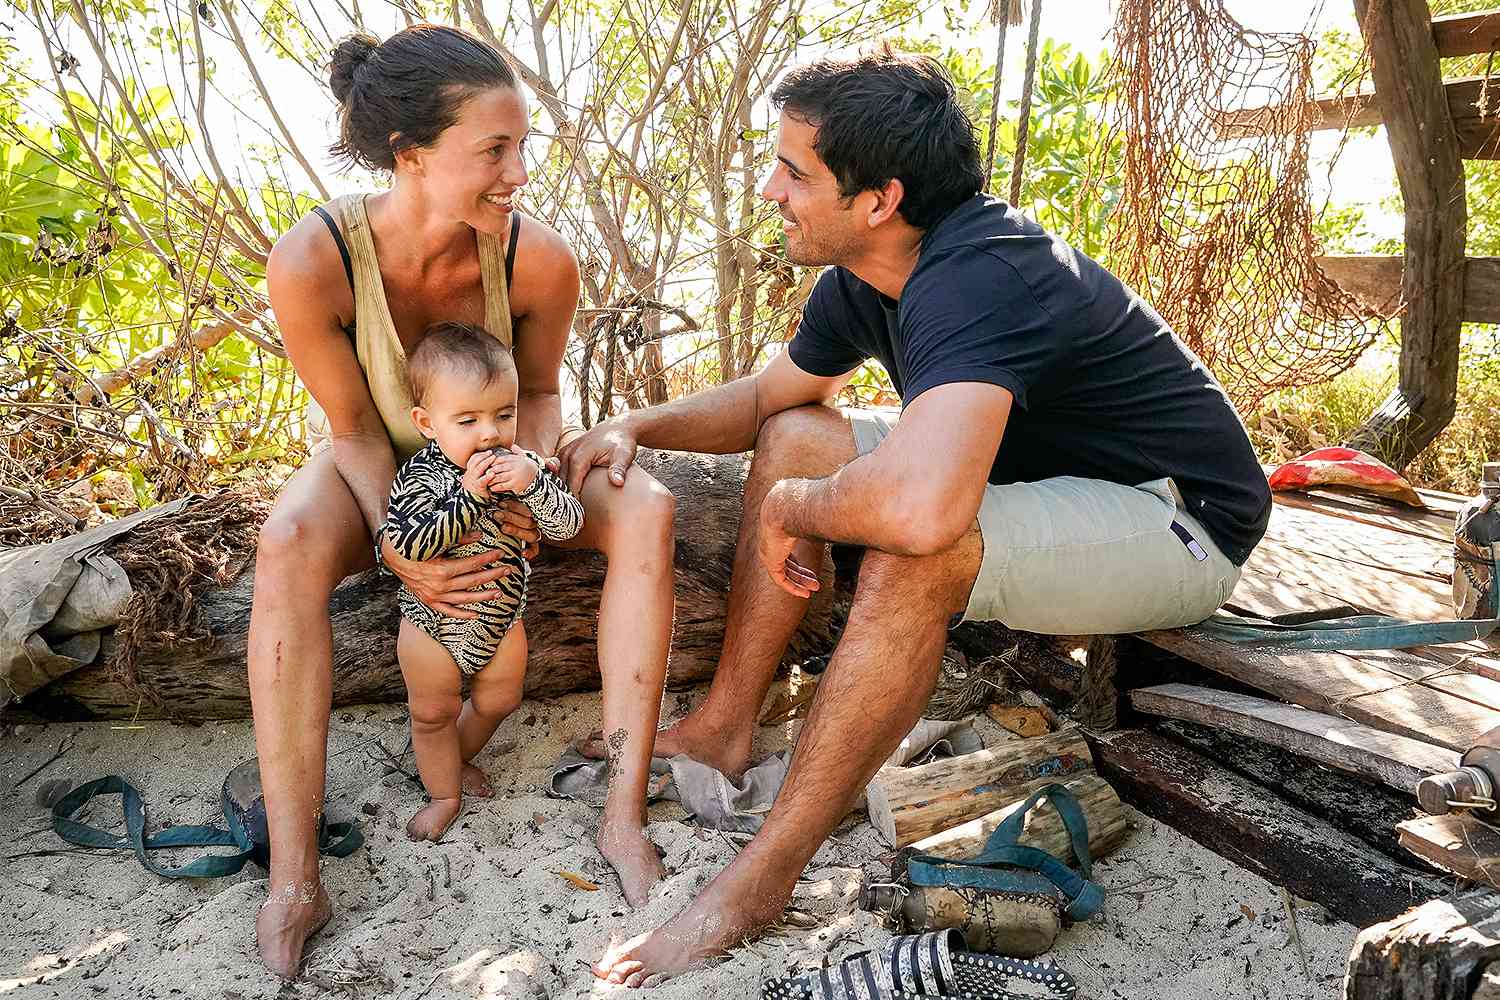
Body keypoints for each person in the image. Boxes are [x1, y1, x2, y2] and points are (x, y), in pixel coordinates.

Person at [563, 47, 1273, 986]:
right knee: (798, 432)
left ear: (879, 199)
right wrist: (634, 423)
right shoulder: (870, 271)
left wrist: (794, 509)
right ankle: (727, 723)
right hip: (1052, 491)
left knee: (911, 553)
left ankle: (756, 884)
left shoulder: (979, 274)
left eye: (795, 172)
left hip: (1179, 522)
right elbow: (768, 396)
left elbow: (929, 510)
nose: (772, 190)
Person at [252, 24, 674, 979]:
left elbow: (539, 395)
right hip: (384, 463)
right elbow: (356, 429)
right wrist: (403, 550)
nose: (519, 172)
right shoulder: (312, 261)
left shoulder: (538, 261)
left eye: (523, 147)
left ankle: (621, 816)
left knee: (645, 507)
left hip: (499, 458)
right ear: (410, 154)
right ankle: (295, 877)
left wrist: (521, 483)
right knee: (284, 543)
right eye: (495, 150)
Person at [382, 322, 584, 841]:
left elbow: (567, 525)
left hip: (501, 614)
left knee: (498, 701)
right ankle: (443, 792)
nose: (490, 433)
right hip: (433, 621)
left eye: (504, 415)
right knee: (432, 712)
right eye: (467, 420)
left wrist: (537, 485)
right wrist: (468, 499)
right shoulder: (420, 476)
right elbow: (410, 546)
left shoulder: (523, 466)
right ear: (427, 423)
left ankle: (449, 759)